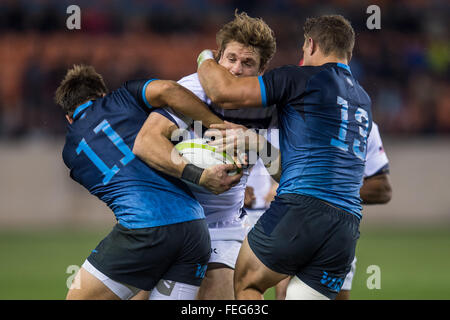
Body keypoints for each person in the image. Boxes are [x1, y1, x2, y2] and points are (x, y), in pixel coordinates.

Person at [197, 15, 372, 300]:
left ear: (311, 44)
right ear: (348, 53)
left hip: (302, 207)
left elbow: (222, 92)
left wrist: (206, 56)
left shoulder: (299, 77)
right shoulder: (363, 99)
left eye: (304, 49)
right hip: (346, 226)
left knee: (248, 283)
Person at [55, 64, 241, 300]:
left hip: (143, 231)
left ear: (68, 117)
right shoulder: (124, 96)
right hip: (195, 229)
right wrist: (220, 128)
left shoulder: (70, 154)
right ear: (102, 94)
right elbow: (169, 90)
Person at [134, 10, 278, 300]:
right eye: (231, 59)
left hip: (223, 224)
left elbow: (284, 172)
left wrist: (259, 146)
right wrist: (199, 176)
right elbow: (145, 142)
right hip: (168, 216)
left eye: (248, 63)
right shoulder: (193, 90)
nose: (236, 70)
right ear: (218, 57)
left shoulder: (270, 105)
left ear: (261, 71)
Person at [245, 122, 392, 299]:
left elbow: (383, 188)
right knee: (258, 287)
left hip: (332, 221)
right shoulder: (286, 112)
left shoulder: (361, 123)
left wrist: (324, 191)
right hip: (275, 217)